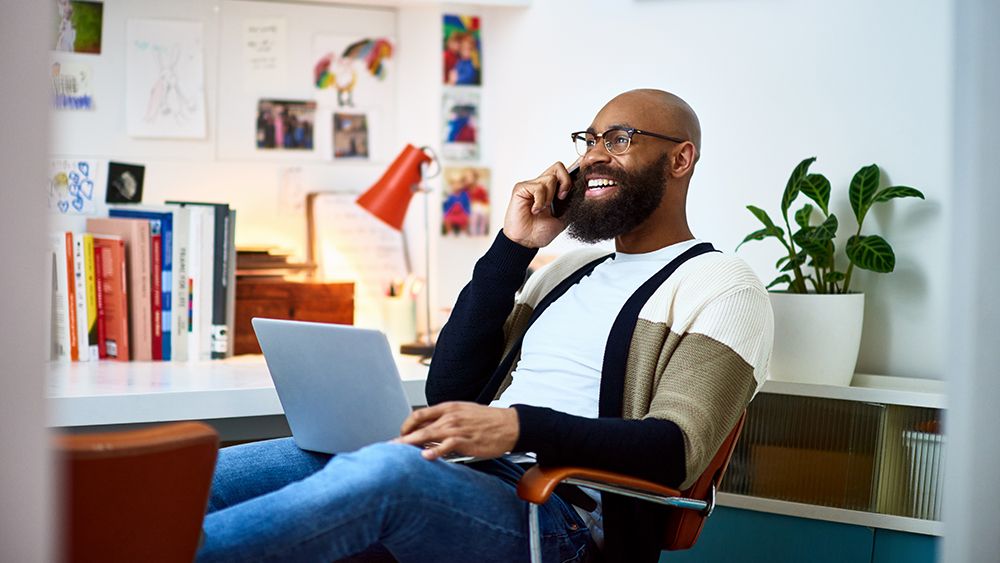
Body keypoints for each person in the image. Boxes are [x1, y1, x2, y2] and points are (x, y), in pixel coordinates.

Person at [196, 89, 773, 563]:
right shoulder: (568, 269)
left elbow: (675, 450)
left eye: (620, 140)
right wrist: (513, 248)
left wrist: (518, 428)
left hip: (556, 517)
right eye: (589, 140)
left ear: (680, 159)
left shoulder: (722, 285)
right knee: (206, 472)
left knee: (387, 472)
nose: (595, 154)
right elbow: (450, 388)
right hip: (463, 473)